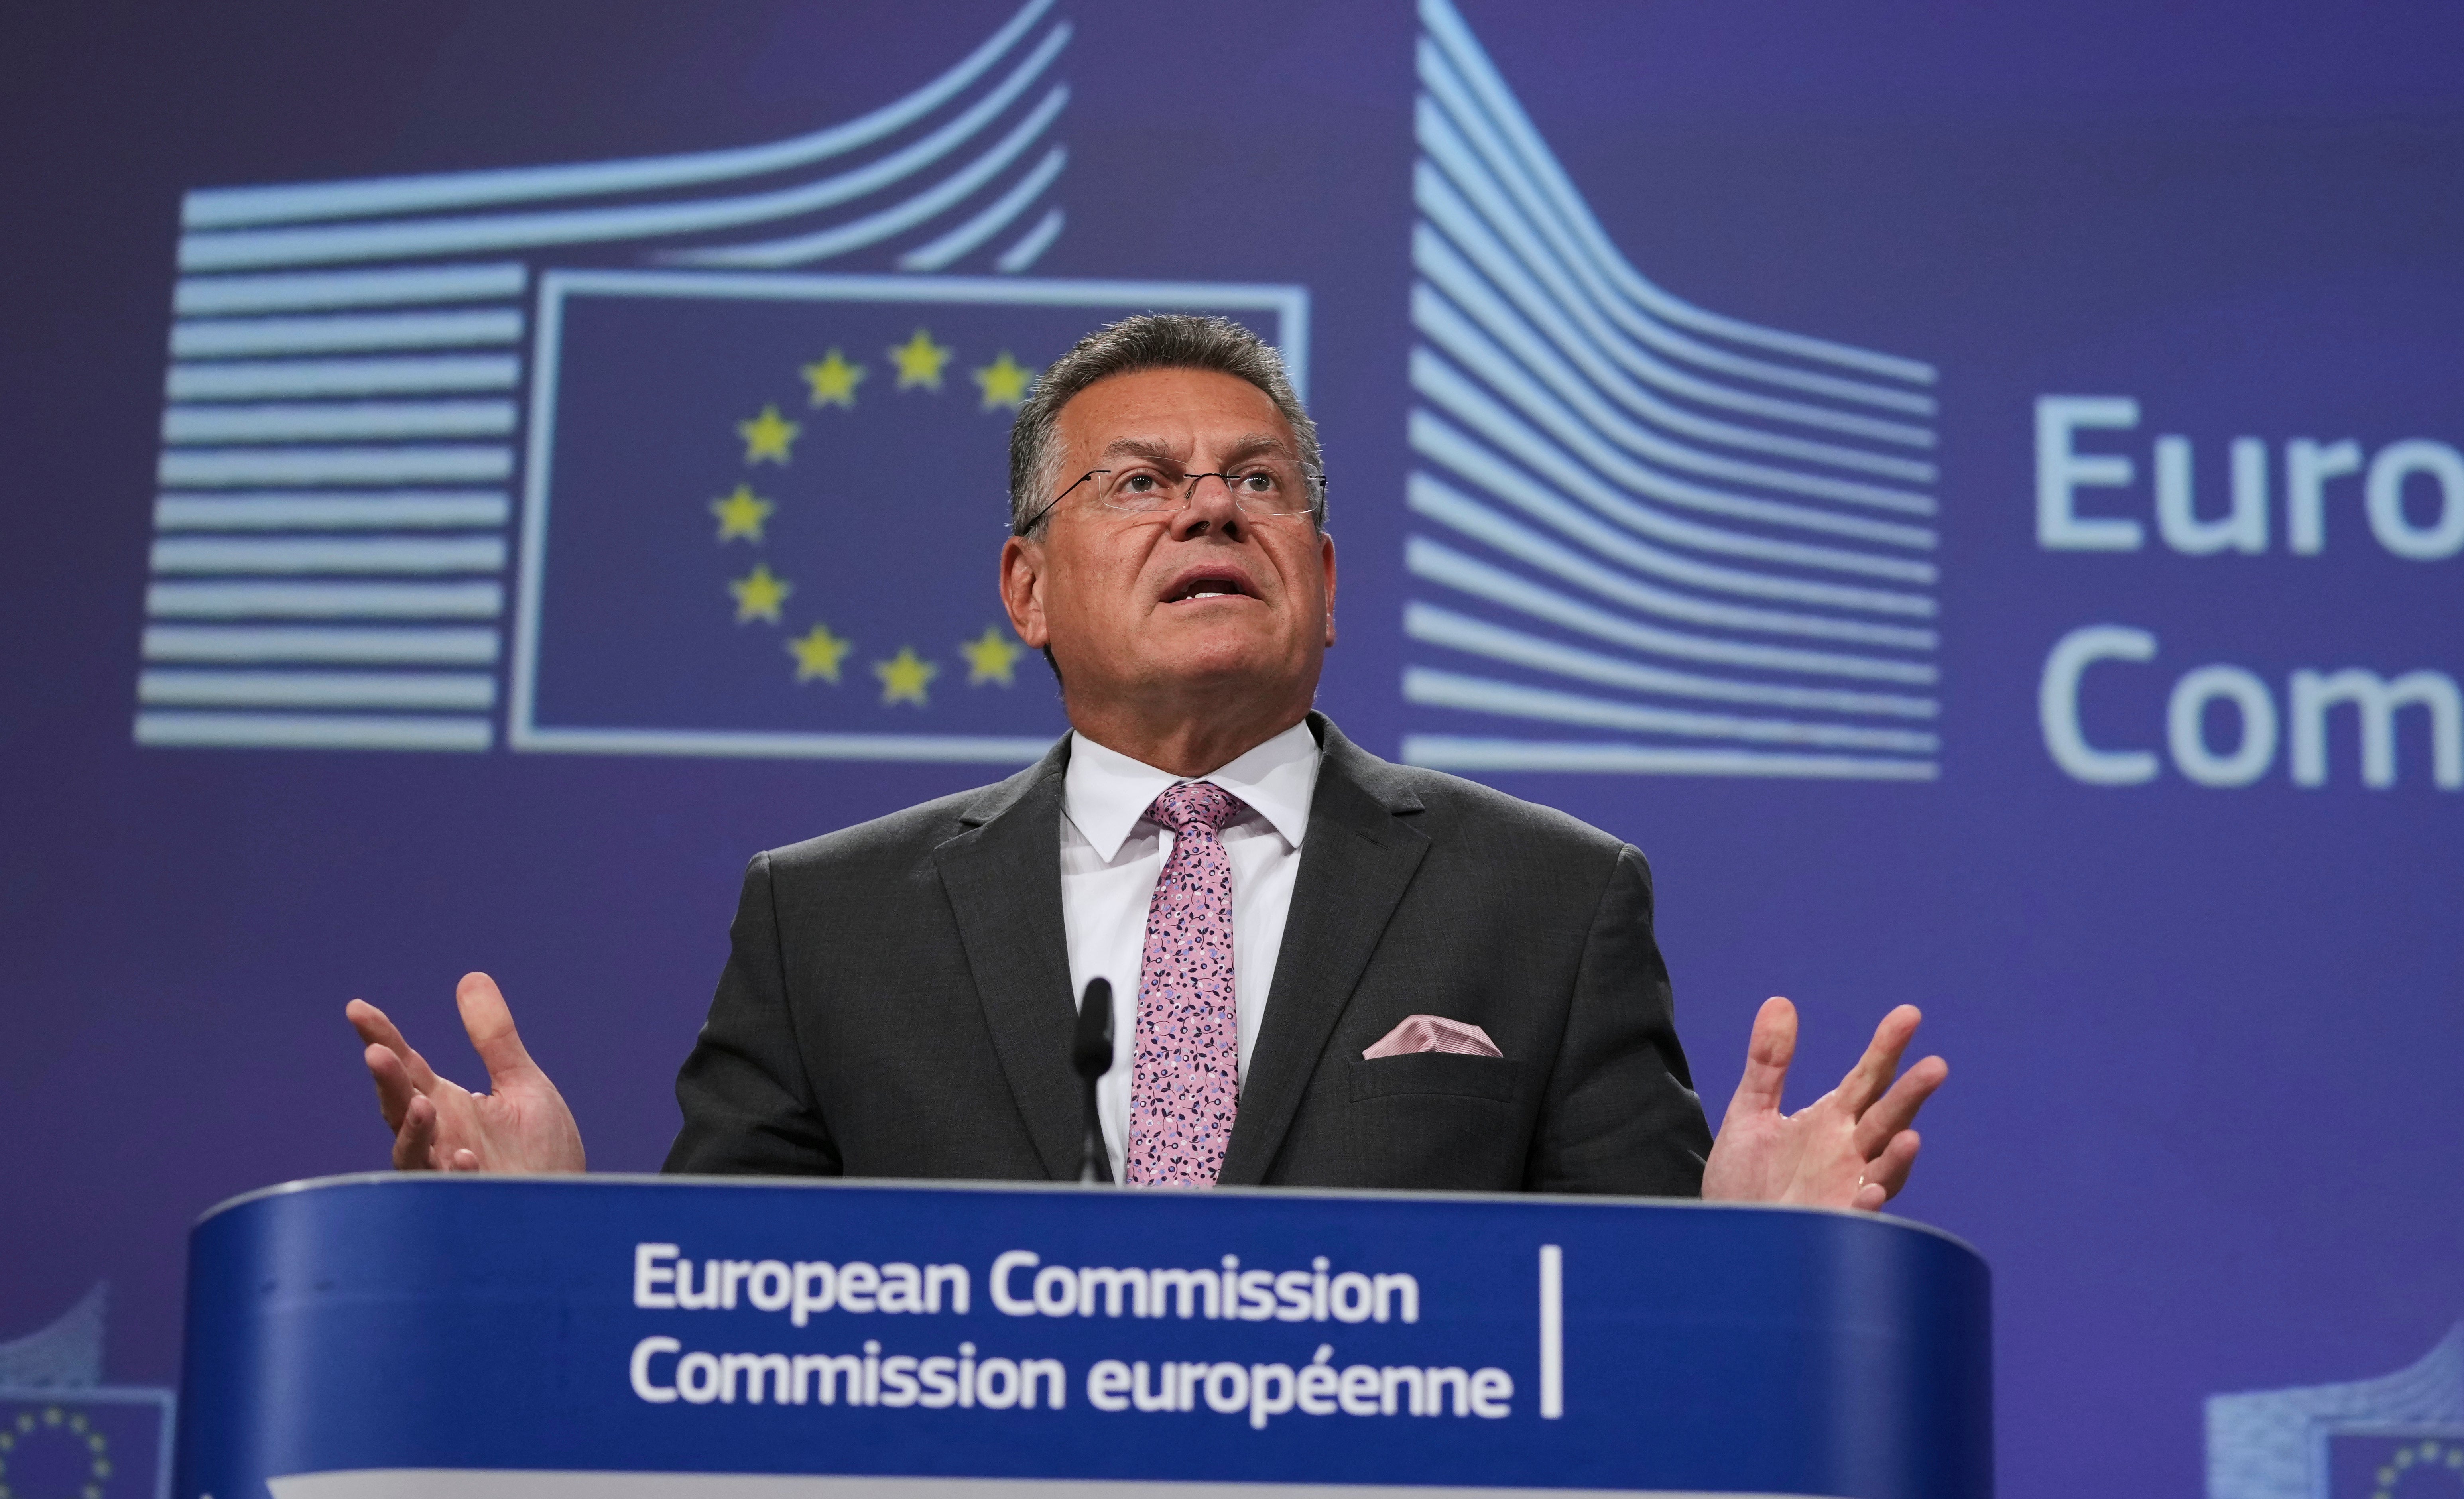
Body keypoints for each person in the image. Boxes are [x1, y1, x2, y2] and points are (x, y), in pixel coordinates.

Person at [346, 315, 1943, 1207]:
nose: (1209, 510)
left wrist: (1749, 1253)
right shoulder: (829, 922)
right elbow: (723, 1312)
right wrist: (539, 1241)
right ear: (1025, 589)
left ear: (1324, 577)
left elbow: (1634, 1332)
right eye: (1139, 482)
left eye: (1258, 482)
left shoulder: (1548, 896)